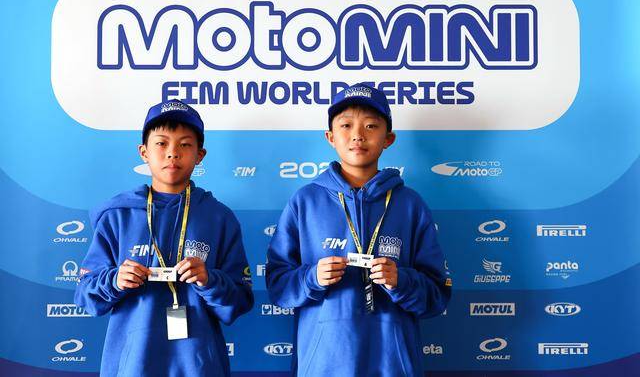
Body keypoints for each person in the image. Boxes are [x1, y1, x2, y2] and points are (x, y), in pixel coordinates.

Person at [266, 83, 451, 376]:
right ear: (330, 137)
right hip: (324, 365)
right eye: (346, 125)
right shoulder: (305, 201)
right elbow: (278, 285)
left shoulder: (410, 204)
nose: (358, 135)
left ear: (388, 138)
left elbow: (437, 295)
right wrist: (313, 277)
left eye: (371, 126)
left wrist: (401, 280)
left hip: (392, 365)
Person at [75, 99, 253, 377]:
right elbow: (85, 296)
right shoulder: (117, 216)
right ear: (143, 152)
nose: (172, 153)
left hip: (199, 367)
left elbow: (240, 300)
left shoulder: (219, 218)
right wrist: (115, 280)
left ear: (200, 155)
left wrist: (209, 280)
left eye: (185, 144)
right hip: (133, 366)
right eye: (161, 143)